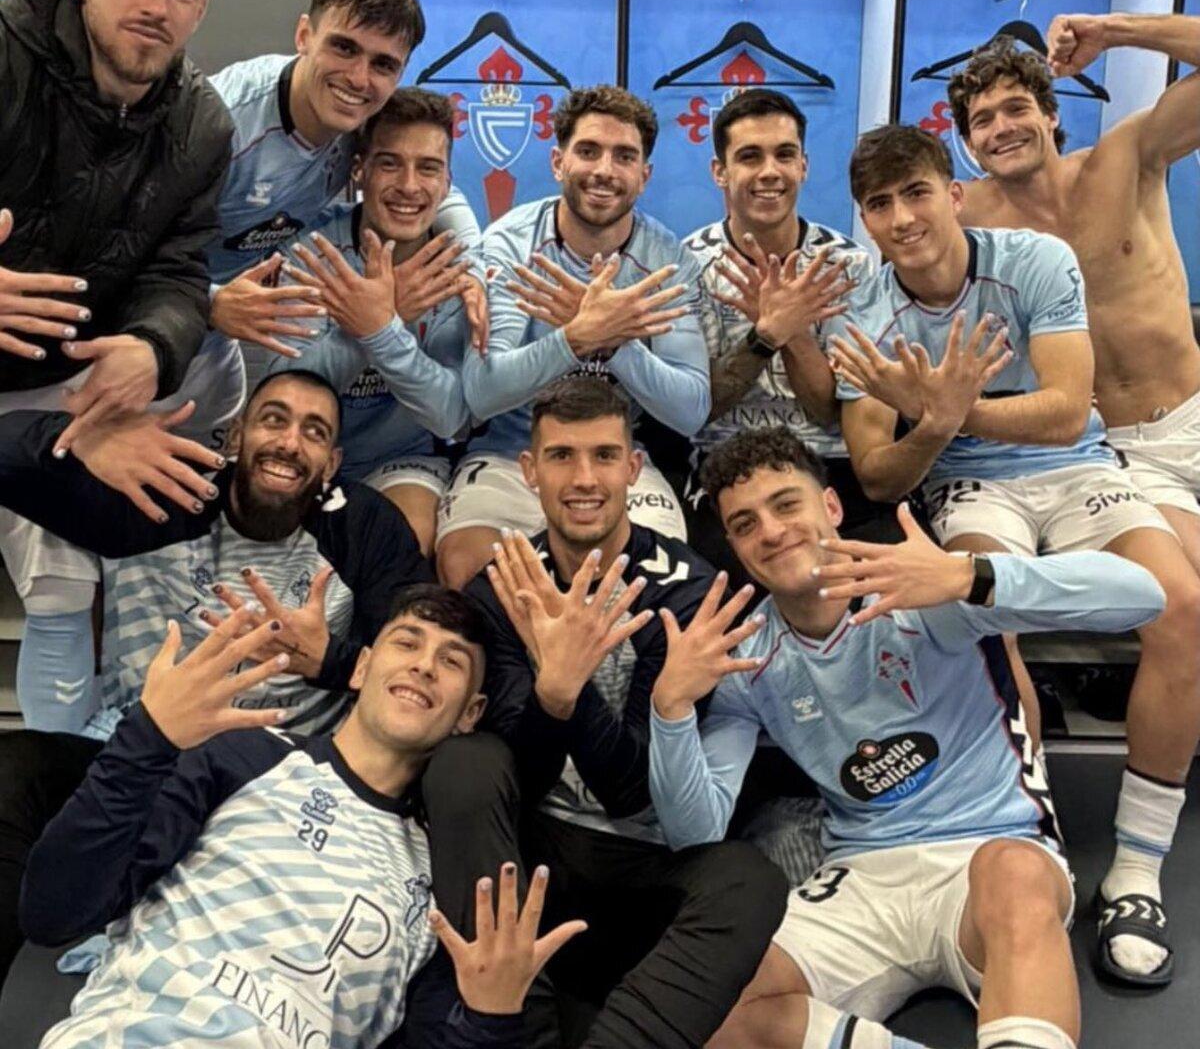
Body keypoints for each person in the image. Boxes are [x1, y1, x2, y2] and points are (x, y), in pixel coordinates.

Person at [646, 428, 1166, 1049]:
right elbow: (696, 833)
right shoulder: (745, 656)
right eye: (746, 522)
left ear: (831, 508)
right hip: (861, 872)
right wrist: (671, 709)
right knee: (716, 1006)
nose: (773, 531)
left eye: (787, 504)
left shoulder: (925, 583)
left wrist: (970, 577)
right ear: (733, 544)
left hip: (988, 851)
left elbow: (1144, 596)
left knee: (1015, 873)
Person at [0, 369, 430, 985]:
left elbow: (427, 658)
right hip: (135, 753)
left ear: (333, 461)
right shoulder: (163, 491)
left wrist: (332, 659)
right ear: (236, 435)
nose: (289, 443)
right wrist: (74, 438)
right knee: (13, 770)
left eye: (314, 432)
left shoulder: (361, 525)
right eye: (274, 419)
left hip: (273, 782)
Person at [21, 588, 584, 1047]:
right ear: (361, 668)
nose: (423, 665)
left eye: (451, 661)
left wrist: (489, 1018)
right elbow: (54, 911)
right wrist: (147, 737)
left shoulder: (438, 876)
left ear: (472, 714)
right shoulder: (244, 755)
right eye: (407, 642)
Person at [947, 17, 1200, 985]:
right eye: (981, 118)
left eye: (1016, 109)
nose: (1001, 126)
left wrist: (1120, 30)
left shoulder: (1127, 157)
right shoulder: (966, 215)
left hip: (1192, 414)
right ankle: (1132, 865)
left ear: (1051, 115)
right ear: (964, 137)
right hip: (1108, 453)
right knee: (1181, 607)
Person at [460, 378, 787, 1048]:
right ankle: (512, 1023)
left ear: (633, 469)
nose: (585, 479)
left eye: (605, 456)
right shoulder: (502, 586)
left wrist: (567, 686)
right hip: (537, 859)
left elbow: (632, 789)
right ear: (530, 471)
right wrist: (553, 693)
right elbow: (515, 772)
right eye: (562, 457)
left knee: (749, 879)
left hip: (645, 864)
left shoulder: (691, 592)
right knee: (465, 766)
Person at [0, 0, 237, 733]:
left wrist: (150, 349)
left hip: (68, 375)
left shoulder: (203, 123)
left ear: (202, 6)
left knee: (221, 367)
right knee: (58, 552)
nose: (157, 4)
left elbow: (179, 271)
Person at [438, 85, 709, 589]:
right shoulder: (512, 244)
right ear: (559, 161)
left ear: (644, 177)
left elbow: (691, 407)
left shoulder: (667, 261)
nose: (605, 170)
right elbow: (482, 393)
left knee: (653, 582)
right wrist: (573, 338)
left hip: (615, 456)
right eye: (588, 151)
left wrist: (611, 342)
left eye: (624, 156)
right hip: (512, 453)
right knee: (465, 569)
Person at [205, 0, 485, 394]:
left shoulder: (360, 117)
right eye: (344, 48)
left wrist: (473, 269)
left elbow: (432, 185)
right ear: (304, 35)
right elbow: (123, 246)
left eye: (383, 64)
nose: (358, 78)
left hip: (228, 335)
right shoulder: (221, 125)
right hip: (148, 317)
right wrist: (210, 302)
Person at [679, 87, 889, 582]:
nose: (769, 172)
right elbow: (699, 407)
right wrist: (766, 334)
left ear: (804, 166)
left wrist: (794, 332)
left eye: (784, 155)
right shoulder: (686, 264)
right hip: (725, 461)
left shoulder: (848, 266)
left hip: (827, 461)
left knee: (887, 576)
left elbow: (829, 412)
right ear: (720, 172)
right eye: (749, 157)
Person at [274, 88, 474, 557]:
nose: (409, 185)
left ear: (447, 182)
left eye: (428, 167)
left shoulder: (457, 269)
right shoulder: (311, 252)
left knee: (403, 539)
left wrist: (382, 329)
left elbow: (450, 415)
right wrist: (379, 323)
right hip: (302, 453)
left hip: (401, 460)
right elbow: (286, 390)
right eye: (390, 163)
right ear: (359, 169)